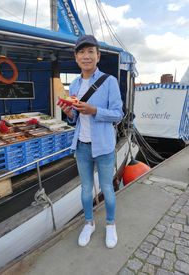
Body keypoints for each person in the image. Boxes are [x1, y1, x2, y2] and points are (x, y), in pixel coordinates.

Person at [57, 34, 123, 248]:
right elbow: (75, 118)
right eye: (82, 52)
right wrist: (69, 113)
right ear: (76, 58)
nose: (86, 56)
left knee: (107, 187)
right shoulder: (74, 84)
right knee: (85, 189)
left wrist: (94, 110)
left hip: (103, 145)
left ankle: (110, 225)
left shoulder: (109, 81)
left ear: (98, 55)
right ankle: (89, 222)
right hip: (82, 146)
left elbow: (118, 114)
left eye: (90, 52)